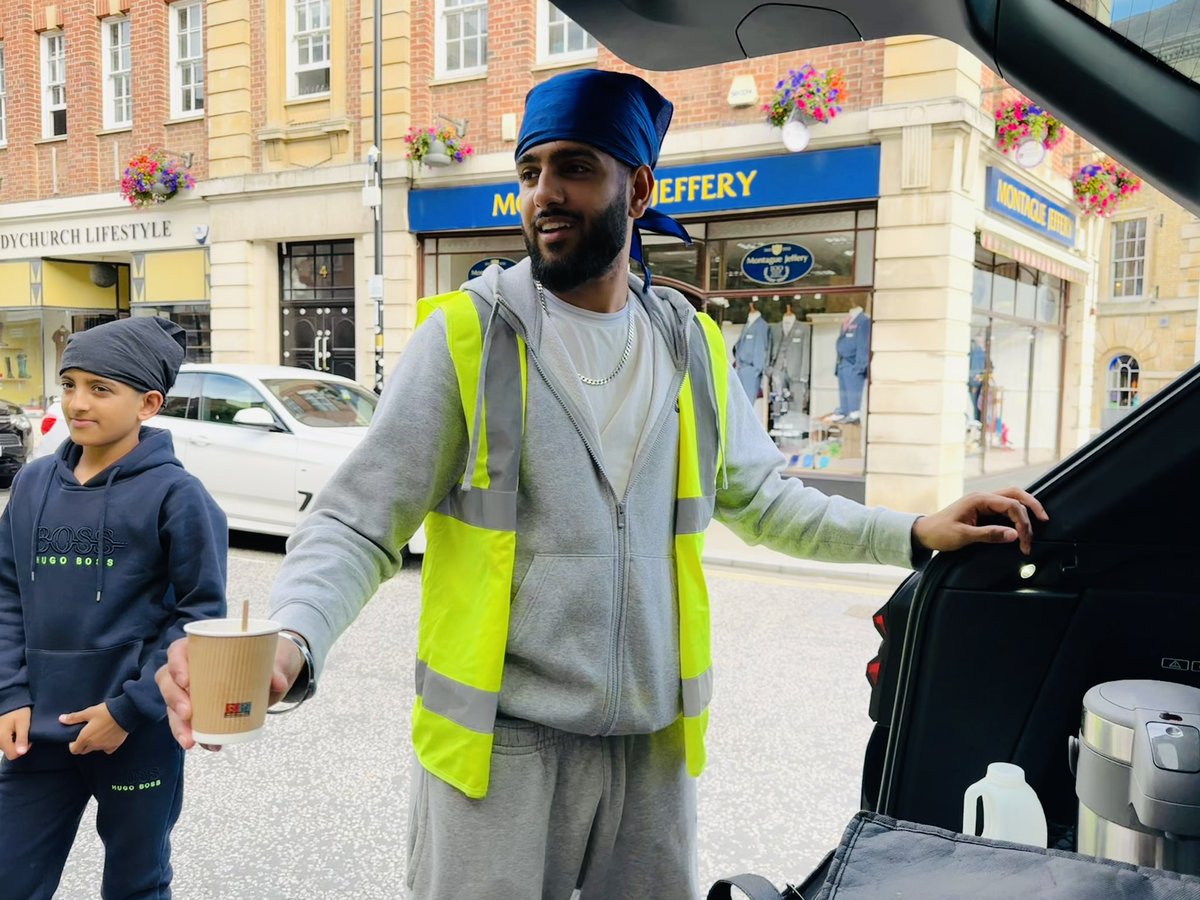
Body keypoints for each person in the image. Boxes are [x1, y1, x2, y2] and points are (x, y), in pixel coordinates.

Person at [157, 69, 1047, 899]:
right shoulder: (466, 338)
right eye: (532, 171)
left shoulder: (688, 344)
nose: (545, 194)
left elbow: (766, 500)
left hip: (650, 758)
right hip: (499, 759)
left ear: (640, 189)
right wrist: (293, 638)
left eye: (575, 170)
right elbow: (356, 521)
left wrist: (914, 531)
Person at [0, 316, 228, 898]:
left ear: (148, 402)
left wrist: (129, 711)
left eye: (101, 388)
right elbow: (7, 592)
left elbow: (197, 619)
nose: (78, 402)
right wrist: (11, 693)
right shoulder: (31, 485)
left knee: (136, 883)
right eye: (70, 383)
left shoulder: (179, 497)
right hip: (36, 732)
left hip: (134, 735)